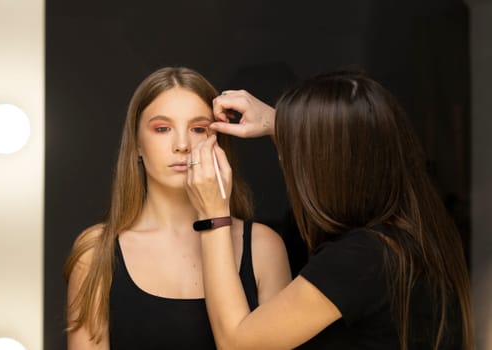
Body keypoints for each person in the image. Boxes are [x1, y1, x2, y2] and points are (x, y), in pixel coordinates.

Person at [185, 70, 474, 349]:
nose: (286, 161)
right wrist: (280, 121)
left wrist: (213, 214)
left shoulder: (361, 259)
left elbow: (238, 344)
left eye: (296, 154)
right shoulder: (407, 235)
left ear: (330, 169)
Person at [64, 67, 292, 349]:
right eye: (162, 129)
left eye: (198, 129)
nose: (182, 145)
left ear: (217, 139)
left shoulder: (263, 246)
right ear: (136, 143)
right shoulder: (96, 252)